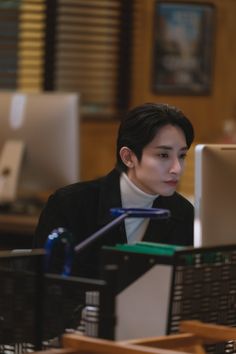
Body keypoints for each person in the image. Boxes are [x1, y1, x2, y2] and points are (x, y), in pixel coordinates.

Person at [33, 102, 194, 278]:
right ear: (128, 157)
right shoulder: (70, 204)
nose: (177, 168)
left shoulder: (183, 213)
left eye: (181, 155)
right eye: (163, 155)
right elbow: (43, 286)